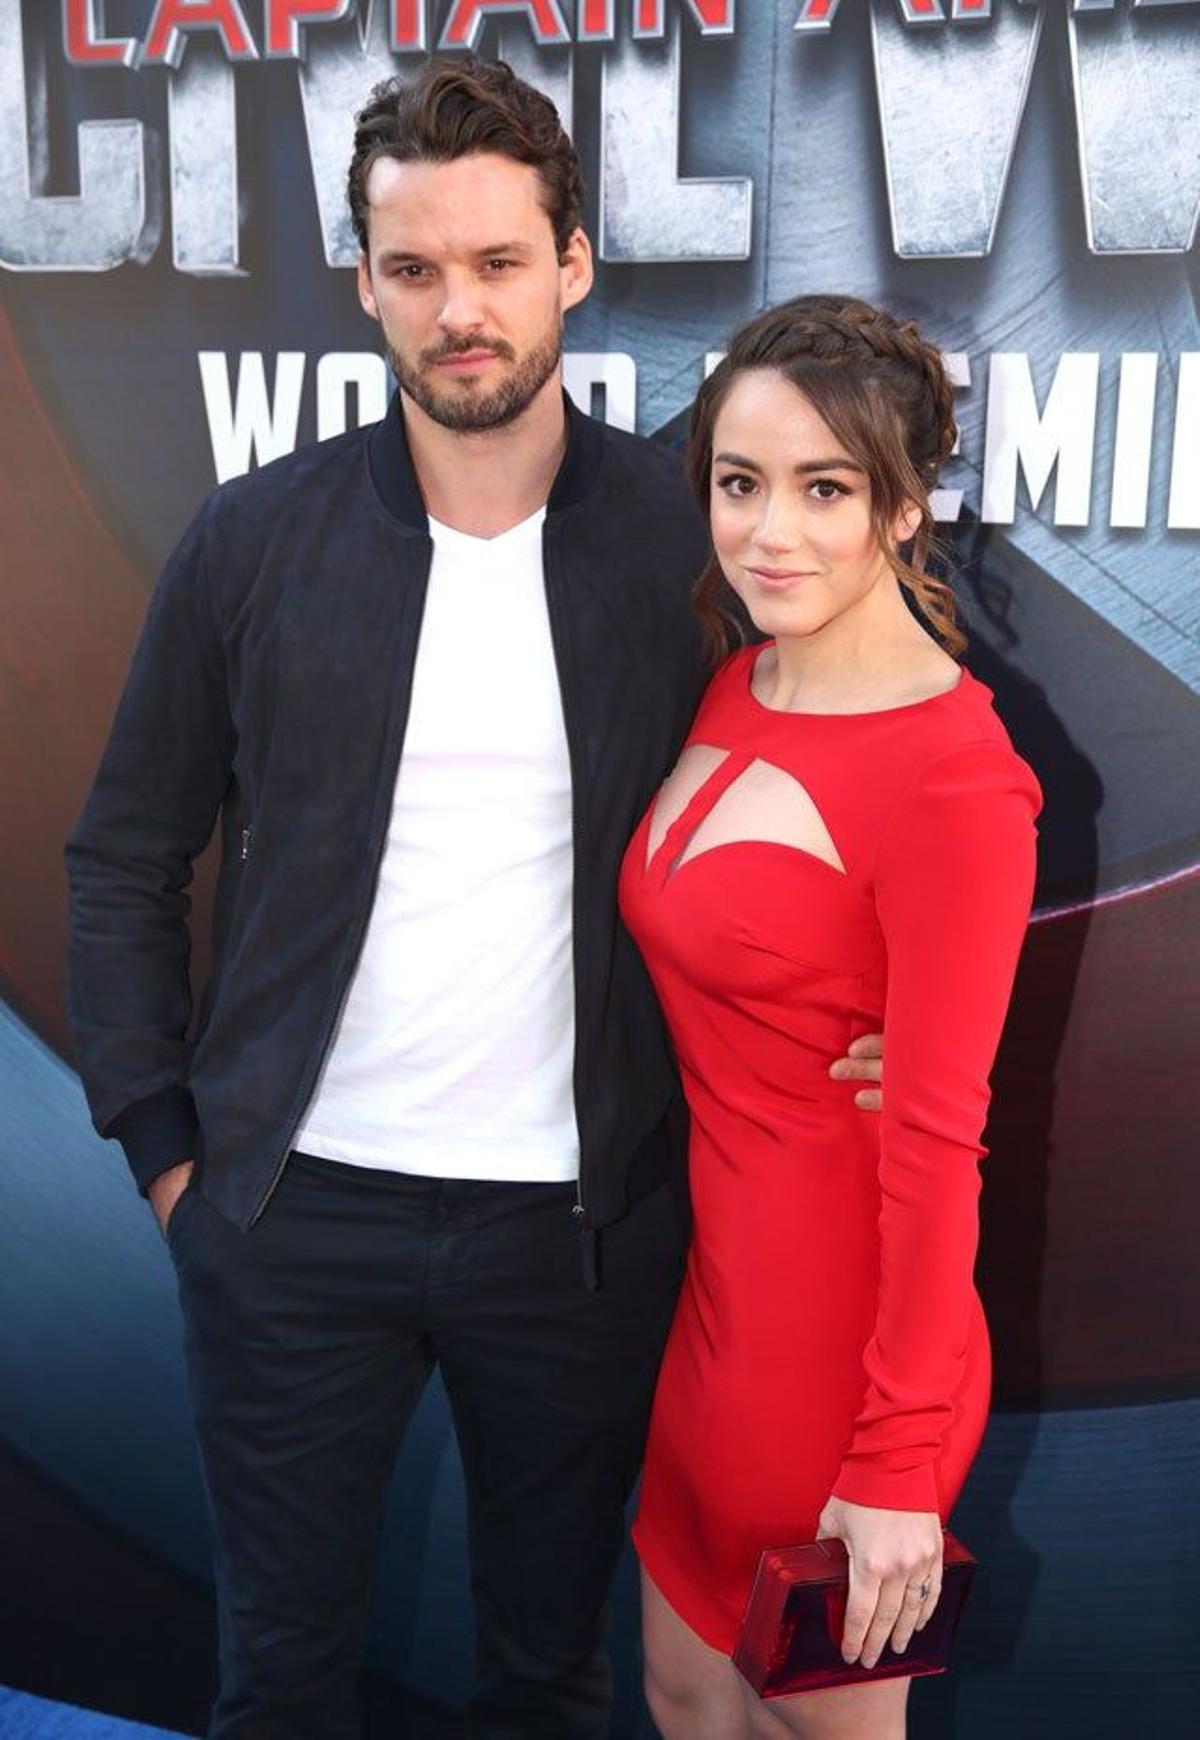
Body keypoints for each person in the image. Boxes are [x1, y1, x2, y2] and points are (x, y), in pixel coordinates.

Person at [63, 60, 885, 1740]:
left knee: (547, 1679)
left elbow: (860, 779)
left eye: (500, 263)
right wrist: (165, 1153)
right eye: (417, 268)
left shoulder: (690, 543)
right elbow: (125, 855)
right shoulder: (252, 543)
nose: (460, 310)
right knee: (278, 1684)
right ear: (365, 280)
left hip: (582, 1235)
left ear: (573, 265)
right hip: (293, 1219)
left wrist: (889, 1026)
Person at [617, 295, 1042, 1740]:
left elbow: (935, 1152)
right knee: (684, 1696)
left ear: (909, 506)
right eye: (742, 485)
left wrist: (900, 1460)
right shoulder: (745, 676)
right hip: (713, 1323)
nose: (771, 534)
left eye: (827, 489)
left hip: (850, 1361)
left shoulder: (957, 781)